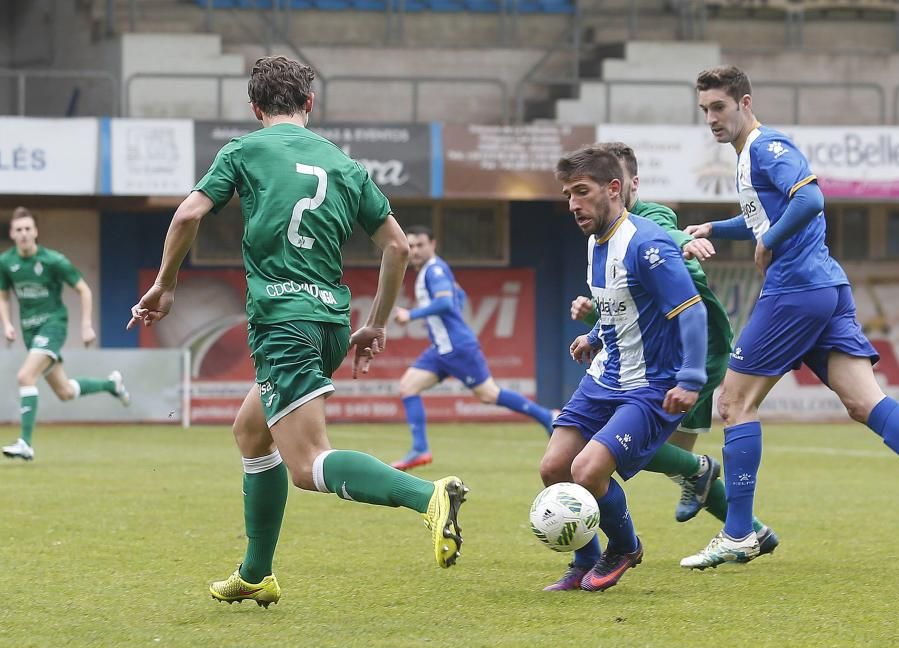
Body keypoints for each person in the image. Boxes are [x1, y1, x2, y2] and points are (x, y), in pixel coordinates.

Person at [128, 56, 469, 608]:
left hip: (283, 323)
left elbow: (189, 215)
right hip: (331, 324)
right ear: (310, 103)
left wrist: (166, 285)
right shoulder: (345, 164)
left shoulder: (243, 150)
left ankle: (428, 497)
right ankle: (256, 572)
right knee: (251, 433)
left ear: (255, 108)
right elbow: (398, 247)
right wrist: (375, 324)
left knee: (309, 464)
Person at [679, 65, 899, 569]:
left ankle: (737, 533)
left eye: (719, 108)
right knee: (864, 402)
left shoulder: (766, 147)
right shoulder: (748, 156)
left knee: (732, 404)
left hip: (797, 289)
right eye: (705, 110)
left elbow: (811, 198)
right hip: (825, 288)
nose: (711, 118)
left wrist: (769, 242)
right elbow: (765, 215)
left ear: (745, 103)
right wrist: (719, 225)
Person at [569, 142, 778, 554]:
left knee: (635, 447)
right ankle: (752, 529)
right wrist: (595, 325)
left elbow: (666, 232)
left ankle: (704, 484)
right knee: (641, 449)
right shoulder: (603, 236)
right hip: (657, 355)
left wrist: (684, 240)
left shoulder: (650, 217)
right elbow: (627, 311)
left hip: (692, 351)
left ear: (628, 185)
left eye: (613, 184)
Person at [541, 145, 707, 592]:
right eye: (567, 194)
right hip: (605, 376)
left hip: (651, 384)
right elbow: (622, 305)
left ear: (614, 189)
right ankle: (585, 558)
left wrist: (691, 378)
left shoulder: (648, 243)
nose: (573, 204)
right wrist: (595, 336)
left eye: (582, 191)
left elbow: (690, 311)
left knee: (588, 470)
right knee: (554, 467)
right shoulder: (596, 242)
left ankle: (625, 547)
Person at [390, 225, 556, 470]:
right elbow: (460, 295)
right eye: (411, 245)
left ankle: (548, 417)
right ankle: (420, 449)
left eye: (420, 245)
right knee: (408, 387)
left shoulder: (433, 270)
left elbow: (446, 302)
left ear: (433, 244)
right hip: (441, 349)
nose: (414, 250)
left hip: (457, 347)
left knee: (489, 394)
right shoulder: (434, 270)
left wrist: (410, 315)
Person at [1, 207, 130, 461]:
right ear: (12, 234)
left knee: (26, 376)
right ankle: (111, 384)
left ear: (36, 232)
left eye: (28, 229)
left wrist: (86, 325)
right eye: (19, 230)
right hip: (30, 333)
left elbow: (84, 290)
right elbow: (3, 295)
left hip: (53, 326)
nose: (24, 234)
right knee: (65, 392)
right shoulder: (6, 263)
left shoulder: (53, 261)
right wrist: (6, 323)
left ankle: (25, 443)